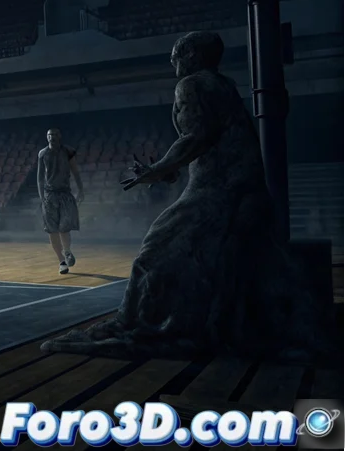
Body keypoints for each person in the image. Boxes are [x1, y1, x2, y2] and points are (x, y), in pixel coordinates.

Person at [42, 31, 333, 360]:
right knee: (225, 269)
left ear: (194, 55)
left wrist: (159, 168)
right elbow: (209, 140)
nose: (172, 61)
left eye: (177, 54)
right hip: (246, 190)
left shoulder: (191, 85)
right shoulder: (224, 85)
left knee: (153, 252)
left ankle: (133, 322)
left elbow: (196, 137)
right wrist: (169, 170)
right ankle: (204, 323)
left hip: (221, 191)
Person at [37, 128, 85, 274]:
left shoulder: (68, 151)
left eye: (55, 134)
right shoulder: (42, 153)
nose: (52, 137)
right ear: (46, 137)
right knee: (52, 230)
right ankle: (61, 261)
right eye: (49, 135)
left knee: (64, 226)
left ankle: (67, 251)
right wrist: (41, 197)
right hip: (49, 195)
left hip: (64, 193)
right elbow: (39, 178)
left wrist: (81, 189)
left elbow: (75, 171)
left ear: (60, 136)